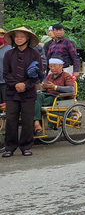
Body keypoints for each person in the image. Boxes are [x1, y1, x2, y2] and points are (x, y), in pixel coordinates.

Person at [2, 27, 43, 157]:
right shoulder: (9, 54)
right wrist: (16, 85)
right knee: (11, 120)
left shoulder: (34, 54)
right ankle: (9, 147)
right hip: (11, 92)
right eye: (17, 36)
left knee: (27, 120)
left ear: (27, 39)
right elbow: (5, 74)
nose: (19, 38)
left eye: (22, 36)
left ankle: (26, 146)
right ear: (13, 39)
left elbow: (39, 73)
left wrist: (25, 85)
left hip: (29, 92)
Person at [33, 57, 75, 135]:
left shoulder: (66, 76)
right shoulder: (49, 76)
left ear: (61, 66)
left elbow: (71, 89)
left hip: (58, 98)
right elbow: (44, 90)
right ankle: (36, 122)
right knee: (36, 96)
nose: (52, 68)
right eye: (50, 66)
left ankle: (36, 123)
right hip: (48, 95)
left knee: (39, 102)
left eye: (54, 66)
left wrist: (54, 87)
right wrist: (43, 87)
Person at [0, 28, 11, 153]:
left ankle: (8, 141)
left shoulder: (9, 50)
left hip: (6, 84)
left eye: (2, 35)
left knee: (8, 112)